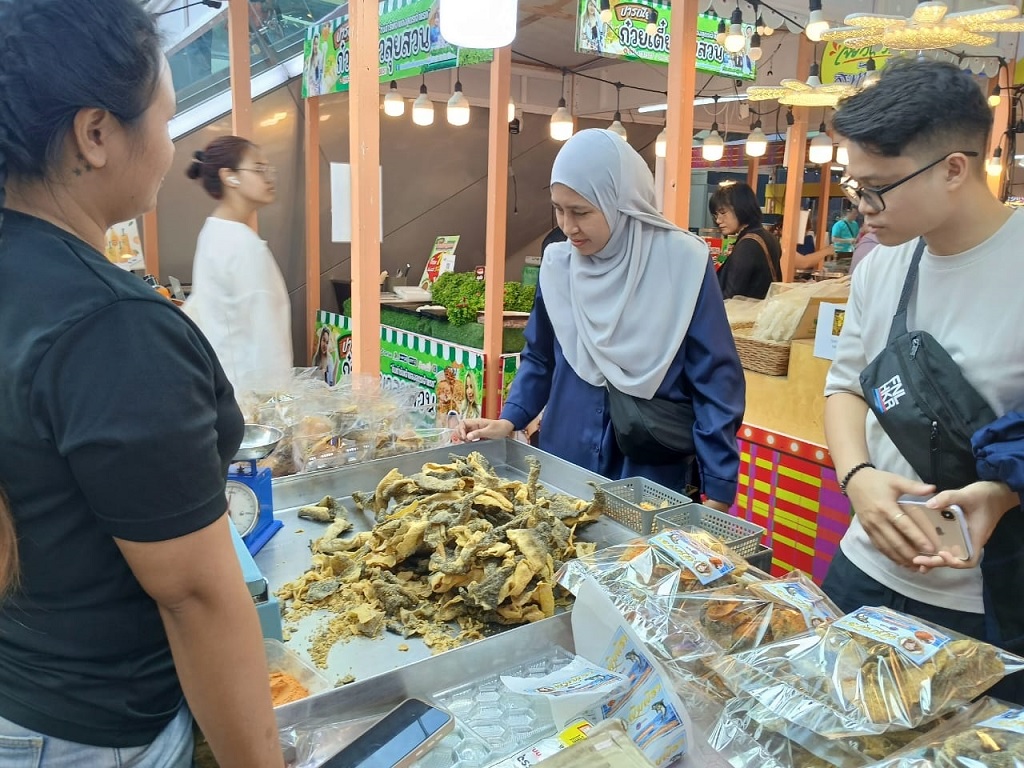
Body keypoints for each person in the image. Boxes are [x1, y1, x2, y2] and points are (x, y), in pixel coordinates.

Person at [0, 2, 283, 766]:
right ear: (96, 135)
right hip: (95, 729)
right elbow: (193, 594)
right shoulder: (110, 326)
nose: (170, 143)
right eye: (163, 118)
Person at [820, 59, 1024, 698]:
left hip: (982, 602)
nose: (862, 211)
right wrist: (857, 480)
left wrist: (1002, 496)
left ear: (954, 169)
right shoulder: (883, 267)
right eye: (855, 186)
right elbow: (845, 387)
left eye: (876, 188)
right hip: (861, 569)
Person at [458, 130, 745, 509]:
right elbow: (541, 358)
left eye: (581, 211)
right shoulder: (560, 267)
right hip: (565, 457)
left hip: (647, 468)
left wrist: (719, 486)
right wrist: (511, 419)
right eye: (558, 209)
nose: (567, 226)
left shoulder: (682, 265)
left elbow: (715, 381)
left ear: (622, 203)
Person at [184, 135, 293, 397]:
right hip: (249, 399)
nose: (268, 177)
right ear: (229, 176)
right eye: (258, 169)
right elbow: (267, 336)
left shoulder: (213, 231)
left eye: (269, 169)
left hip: (223, 388)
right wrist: (280, 402)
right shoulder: (243, 244)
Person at [710, 182, 782, 299]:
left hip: (743, 315)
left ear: (741, 208)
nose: (718, 220)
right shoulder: (768, 237)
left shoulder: (747, 245)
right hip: (761, 312)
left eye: (723, 213)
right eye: (716, 215)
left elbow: (731, 296)